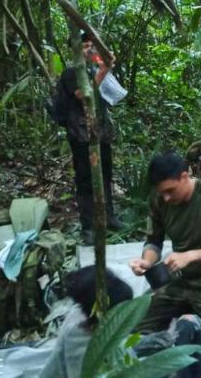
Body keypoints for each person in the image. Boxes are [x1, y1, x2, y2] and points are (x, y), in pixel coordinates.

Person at [38, 266, 201, 378]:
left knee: (192, 327)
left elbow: (123, 349)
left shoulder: (91, 319)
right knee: (200, 365)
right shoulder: (81, 340)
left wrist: (162, 340)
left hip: (131, 362)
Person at [130, 153, 201, 343]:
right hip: (179, 281)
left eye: (170, 190)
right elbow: (154, 241)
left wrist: (190, 256)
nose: (165, 197)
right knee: (132, 326)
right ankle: (189, 310)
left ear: (184, 176)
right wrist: (146, 261)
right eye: (161, 192)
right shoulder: (159, 199)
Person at [59, 33, 123, 245]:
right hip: (81, 135)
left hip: (101, 132)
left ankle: (109, 216)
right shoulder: (71, 73)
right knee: (85, 180)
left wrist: (104, 68)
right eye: (84, 46)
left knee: (106, 175)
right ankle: (87, 226)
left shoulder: (96, 69)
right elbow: (83, 95)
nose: (88, 49)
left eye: (91, 45)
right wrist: (104, 69)